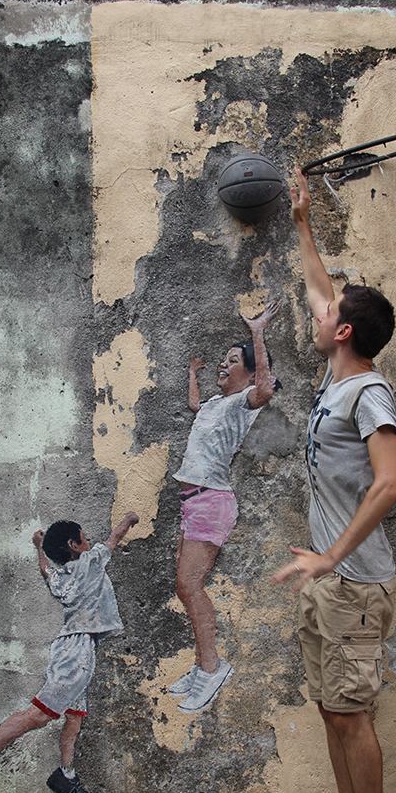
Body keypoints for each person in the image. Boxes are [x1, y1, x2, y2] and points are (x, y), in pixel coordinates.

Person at [272, 168, 396, 793]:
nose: (318, 314)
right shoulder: (336, 369)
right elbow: (324, 287)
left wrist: (329, 555)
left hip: (353, 583)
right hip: (328, 583)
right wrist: (301, 223)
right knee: (331, 708)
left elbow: (390, 485)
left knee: (352, 714)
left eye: (329, 316)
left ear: (344, 333)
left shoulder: (369, 391)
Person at [0, 511, 139, 793]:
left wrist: (38, 546)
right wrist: (128, 521)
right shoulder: (89, 563)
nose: (89, 541)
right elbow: (113, 539)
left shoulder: (61, 577)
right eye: (84, 537)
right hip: (76, 652)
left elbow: (46, 570)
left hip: (77, 648)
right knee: (39, 715)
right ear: (75, 545)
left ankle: (65, 773)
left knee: (74, 719)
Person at [170, 300, 282, 714]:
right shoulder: (217, 404)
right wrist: (193, 376)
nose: (224, 365)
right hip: (192, 502)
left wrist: (257, 333)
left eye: (232, 361)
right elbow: (196, 407)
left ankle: (212, 668)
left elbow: (266, 390)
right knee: (185, 585)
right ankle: (203, 667)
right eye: (224, 360)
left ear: (249, 372)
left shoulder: (242, 402)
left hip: (211, 502)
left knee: (189, 586)